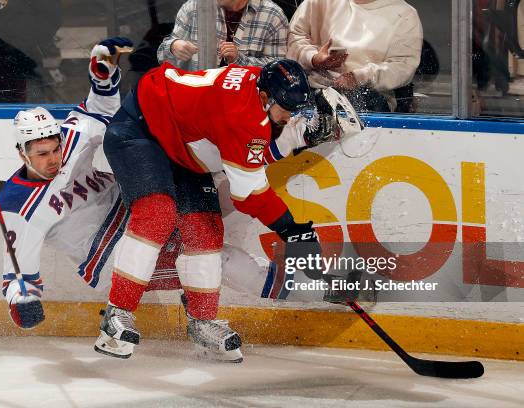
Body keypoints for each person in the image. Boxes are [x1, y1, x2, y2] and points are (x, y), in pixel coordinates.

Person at [99, 58, 335, 362]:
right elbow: (248, 194)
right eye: (286, 109)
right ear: (265, 98)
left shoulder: (256, 83)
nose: (290, 116)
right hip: (139, 130)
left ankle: (202, 322)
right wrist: (293, 230)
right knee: (157, 213)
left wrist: (297, 137)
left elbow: (248, 154)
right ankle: (116, 314)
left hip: (181, 146)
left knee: (206, 228)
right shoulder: (243, 117)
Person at [0, 37, 133, 329]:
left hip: (129, 209)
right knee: (199, 259)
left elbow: (100, 109)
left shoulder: (70, 139)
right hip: (105, 253)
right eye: (42, 154)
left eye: (55, 149)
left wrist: (103, 77)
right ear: (22, 153)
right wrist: (23, 301)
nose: (53, 159)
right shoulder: (17, 204)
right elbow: (18, 274)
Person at [287, 0, 423, 112]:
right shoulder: (317, 2)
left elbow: (403, 66)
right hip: (310, 88)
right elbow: (295, 36)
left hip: (368, 98)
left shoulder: (405, 15)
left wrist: (359, 77)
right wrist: (314, 58)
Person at [157, 0, 289, 70]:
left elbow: (280, 70)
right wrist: (173, 47)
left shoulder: (273, 16)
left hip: (244, 104)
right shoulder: (193, 8)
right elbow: (162, 57)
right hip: (197, 99)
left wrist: (239, 60)